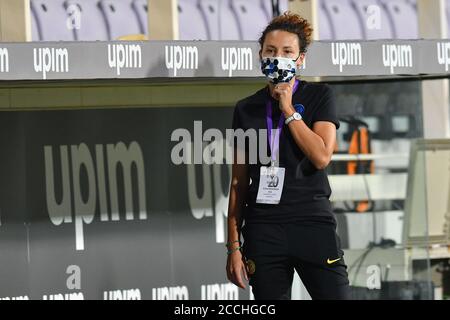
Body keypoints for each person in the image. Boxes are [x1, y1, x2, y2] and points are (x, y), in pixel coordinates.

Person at [225, 12, 350, 300]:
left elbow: (320, 156)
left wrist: (288, 110)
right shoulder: (246, 108)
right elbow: (238, 183)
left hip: (312, 224)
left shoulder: (320, 96)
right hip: (264, 229)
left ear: (300, 59)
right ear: (260, 55)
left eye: (286, 52)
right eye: (270, 51)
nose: (277, 58)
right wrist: (233, 247)